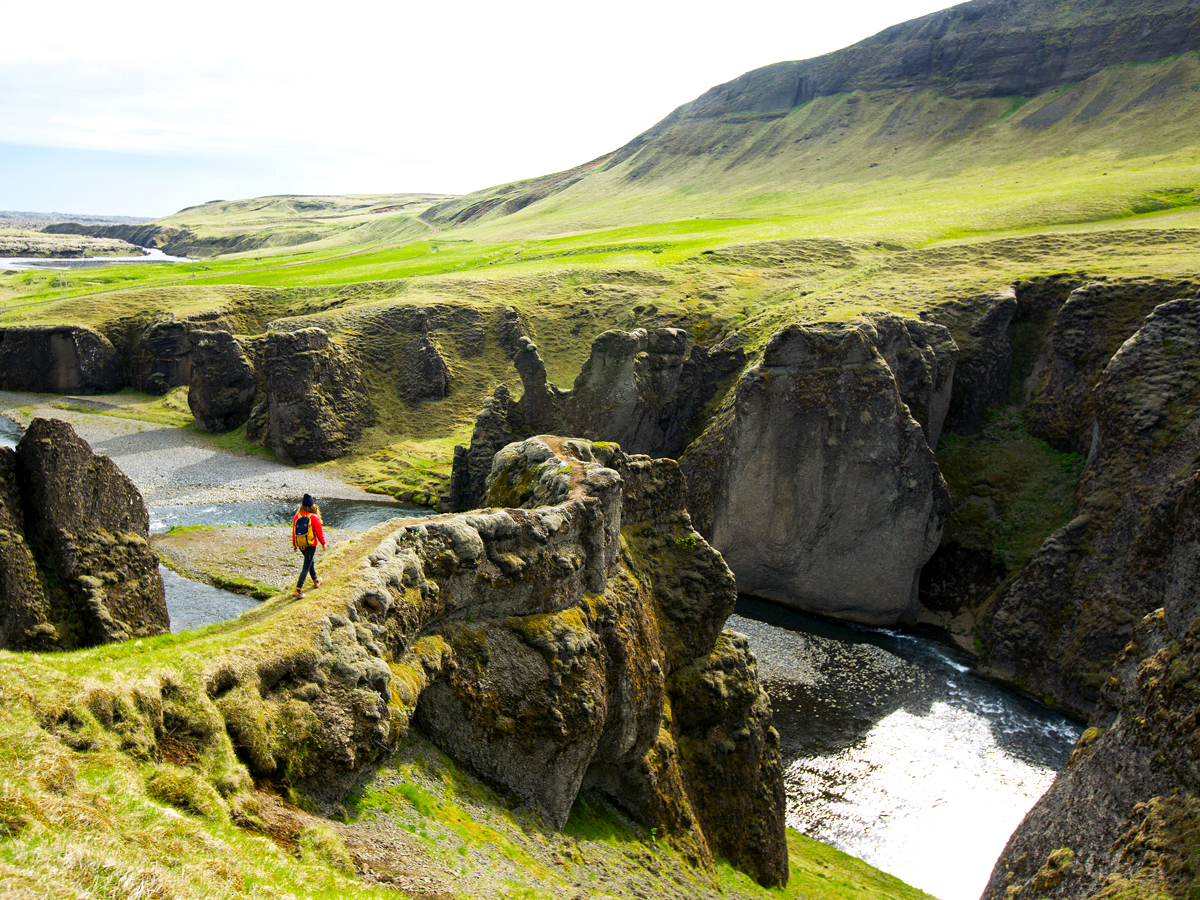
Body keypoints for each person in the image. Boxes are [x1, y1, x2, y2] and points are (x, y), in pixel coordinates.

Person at [291, 493, 326, 597]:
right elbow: (319, 532)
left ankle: (316, 580)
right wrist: (323, 543)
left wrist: (294, 544)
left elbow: (294, 531)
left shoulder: (297, 516)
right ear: (312, 506)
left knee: (309, 561)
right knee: (307, 564)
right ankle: (298, 589)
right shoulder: (313, 517)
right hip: (311, 544)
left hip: (300, 544)